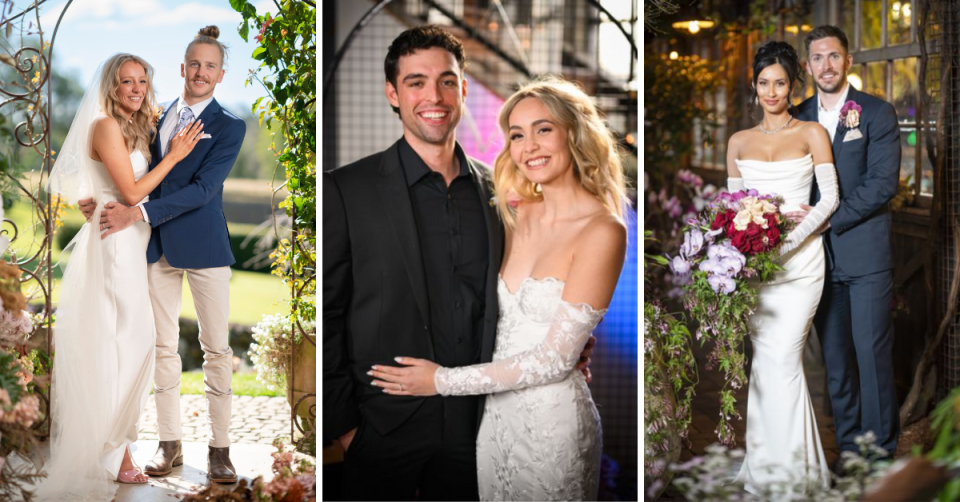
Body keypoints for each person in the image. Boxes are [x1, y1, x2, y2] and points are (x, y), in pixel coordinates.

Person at [323, 26, 594, 501]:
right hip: (381, 432)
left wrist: (568, 334)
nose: (435, 96)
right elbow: (328, 314)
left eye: (447, 80)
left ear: (464, 89)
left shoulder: (504, 198)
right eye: (416, 82)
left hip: (481, 429)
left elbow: (530, 287)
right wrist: (345, 430)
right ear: (392, 93)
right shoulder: (347, 191)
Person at [366, 77, 628, 501]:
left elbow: (554, 360)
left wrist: (440, 381)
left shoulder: (603, 230)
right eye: (517, 135)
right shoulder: (515, 213)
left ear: (574, 133)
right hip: (493, 419)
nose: (529, 147)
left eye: (543, 129)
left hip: (552, 425)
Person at [81, 26, 247, 484]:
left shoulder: (230, 126)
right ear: (182, 68)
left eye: (210, 66)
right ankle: (168, 444)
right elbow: (127, 167)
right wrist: (102, 198)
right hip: (154, 249)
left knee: (217, 349)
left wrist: (138, 213)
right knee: (161, 348)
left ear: (220, 75)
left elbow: (203, 189)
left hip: (204, 247)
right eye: (194, 63)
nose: (200, 71)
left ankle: (220, 449)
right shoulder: (154, 116)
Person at [37, 53, 204, 500]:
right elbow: (130, 192)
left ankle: (114, 446)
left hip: (133, 241)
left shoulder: (134, 126)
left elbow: (97, 181)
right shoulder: (105, 125)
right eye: (127, 81)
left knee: (129, 343)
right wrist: (174, 157)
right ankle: (116, 454)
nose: (136, 88)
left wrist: (89, 198)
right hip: (115, 245)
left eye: (142, 80)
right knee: (123, 345)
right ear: (111, 86)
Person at [725, 41, 837, 493]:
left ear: (793, 87)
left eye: (781, 83)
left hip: (801, 262)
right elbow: (732, 207)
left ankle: (793, 478)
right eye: (764, 83)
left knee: (784, 362)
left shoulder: (812, 133)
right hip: (756, 269)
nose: (772, 91)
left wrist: (787, 242)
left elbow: (829, 199)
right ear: (755, 88)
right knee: (764, 366)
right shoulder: (738, 141)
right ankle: (767, 469)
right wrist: (739, 255)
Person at [794, 25, 901, 469]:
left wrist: (826, 219)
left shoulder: (876, 112)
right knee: (835, 362)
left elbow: (881, 184)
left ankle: (879, 455)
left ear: (848, 60)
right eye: (818, 58)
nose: (826, 66)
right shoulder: (797, 116)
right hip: (817, 261)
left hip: (866, 255)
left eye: (834, 56)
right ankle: (851, 448)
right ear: (807, 66)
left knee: (871, 355)